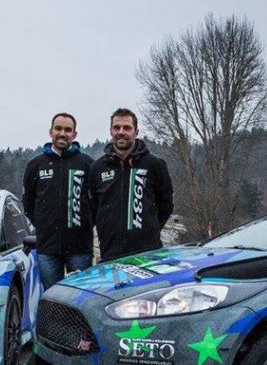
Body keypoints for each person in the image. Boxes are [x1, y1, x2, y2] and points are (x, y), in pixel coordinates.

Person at [89, 107, 174, 261]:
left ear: (136, 132)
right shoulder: (97, 167)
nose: (121, 132)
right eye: (116, 127)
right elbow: (93, 207)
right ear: (110, 131)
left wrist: (149, 230)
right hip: (110, 252)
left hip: (148, 252)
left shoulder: (155, 165)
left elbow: (166, 205)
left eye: (127, 128)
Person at [23, 112, 93, 289]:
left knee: (80, 297)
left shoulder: (88, 164)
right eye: (58, 129)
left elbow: (97, 203)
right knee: (51, 297)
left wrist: (86, 224)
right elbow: (29, 203)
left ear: (74, 135)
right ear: (51, 132)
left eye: (68, 130)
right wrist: (43, 225)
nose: (62, 133)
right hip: (47, 247)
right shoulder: (36, 165)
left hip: (80, 248)